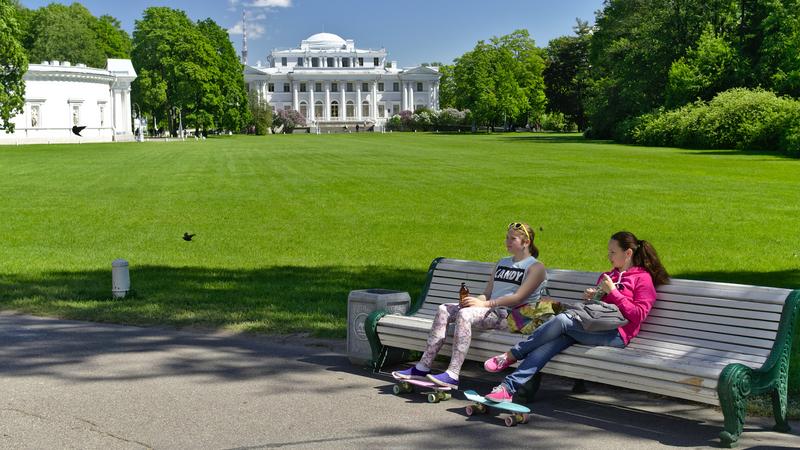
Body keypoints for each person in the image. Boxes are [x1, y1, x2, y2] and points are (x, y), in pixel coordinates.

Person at [481, 231, 669, 402]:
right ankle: (506, 388)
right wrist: (593, 295)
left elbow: (638, 315)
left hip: (617, 334)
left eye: (613, 252)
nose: (609, 256)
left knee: (563, 321)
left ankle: (513, 355)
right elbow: (597, 309)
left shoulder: (642, 278)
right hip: (590, 326)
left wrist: (613, 292)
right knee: (552, 340)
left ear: (628, 253)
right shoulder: (607, 276)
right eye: (608, 252)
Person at [392, 222, 548, 389]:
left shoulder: (536, 267)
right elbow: (487, 293)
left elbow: (518, 297)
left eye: (513, 239)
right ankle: (423, 366)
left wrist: (484, 304)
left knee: (464, 315)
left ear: (526, 242)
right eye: (506, 238)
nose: (507, 242)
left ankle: (452, 373)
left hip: (513, 317)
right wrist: (473, 301)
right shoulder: (502, 262)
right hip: (491, 310)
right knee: (444, 309)